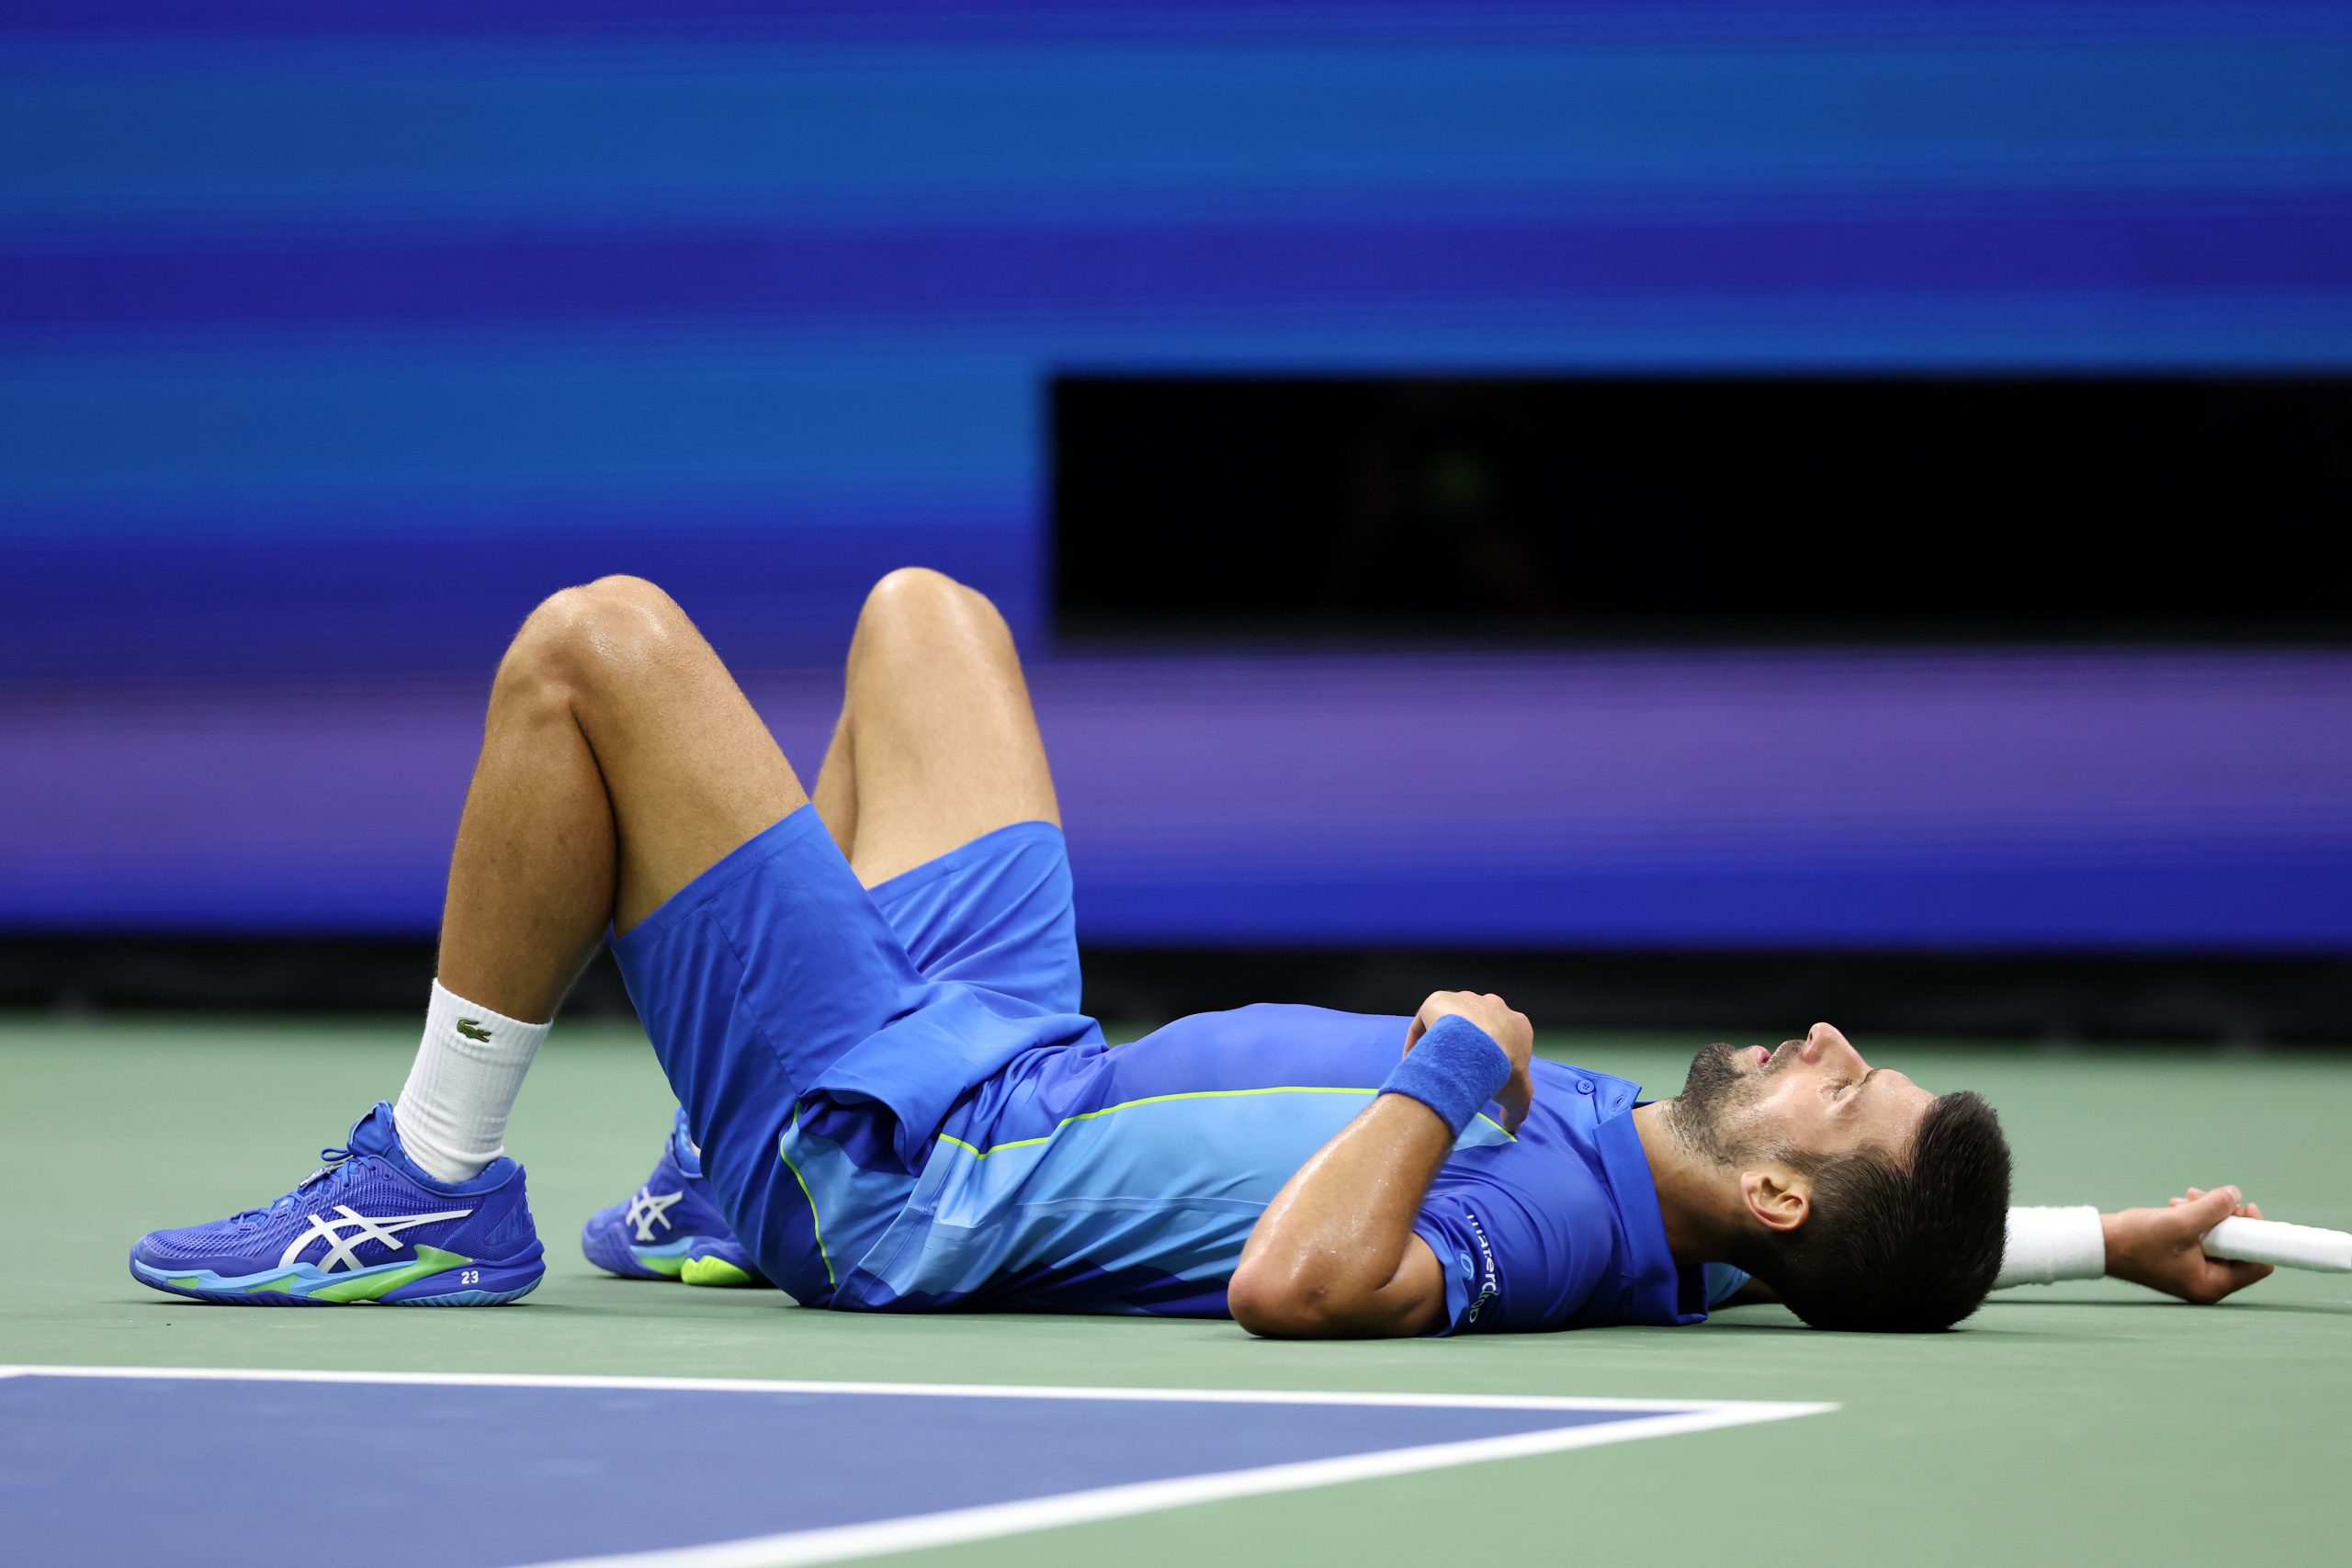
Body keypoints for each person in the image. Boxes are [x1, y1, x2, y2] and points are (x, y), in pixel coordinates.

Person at [128, 571, 2275, 1331]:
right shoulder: (1722, 1220)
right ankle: (698, 1173)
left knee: (591, 647)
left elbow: (1299, 1280)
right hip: (1016, 1045)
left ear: (1789, 1177)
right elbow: (1885, 1250)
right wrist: (2107, 1234)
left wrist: (1437, 1068)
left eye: (1841, 1075)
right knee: (922, 620)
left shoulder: (1534, 1224)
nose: (1821, 1035)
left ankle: (429, 1179)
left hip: (911, 1158)